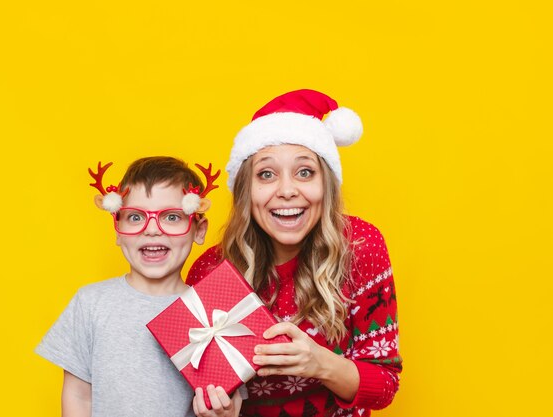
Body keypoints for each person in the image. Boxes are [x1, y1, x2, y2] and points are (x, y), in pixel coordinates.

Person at [188, 90, 402, 417]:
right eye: (266, 174)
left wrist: (320, 363)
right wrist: (220, 409)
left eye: (304, 172)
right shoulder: (212, 271)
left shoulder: (359, 245)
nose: (287, 190)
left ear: (325, 185)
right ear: (246, 191)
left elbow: (384, 385)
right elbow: (211, 388)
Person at [36, 156, 227, 417]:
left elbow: (230, 402)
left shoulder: (215, 315)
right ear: (117, 229)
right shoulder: (90, 303)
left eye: (172, 217)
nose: (152, 230)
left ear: (199, 230)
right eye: (135, 217)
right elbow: (79, 396)